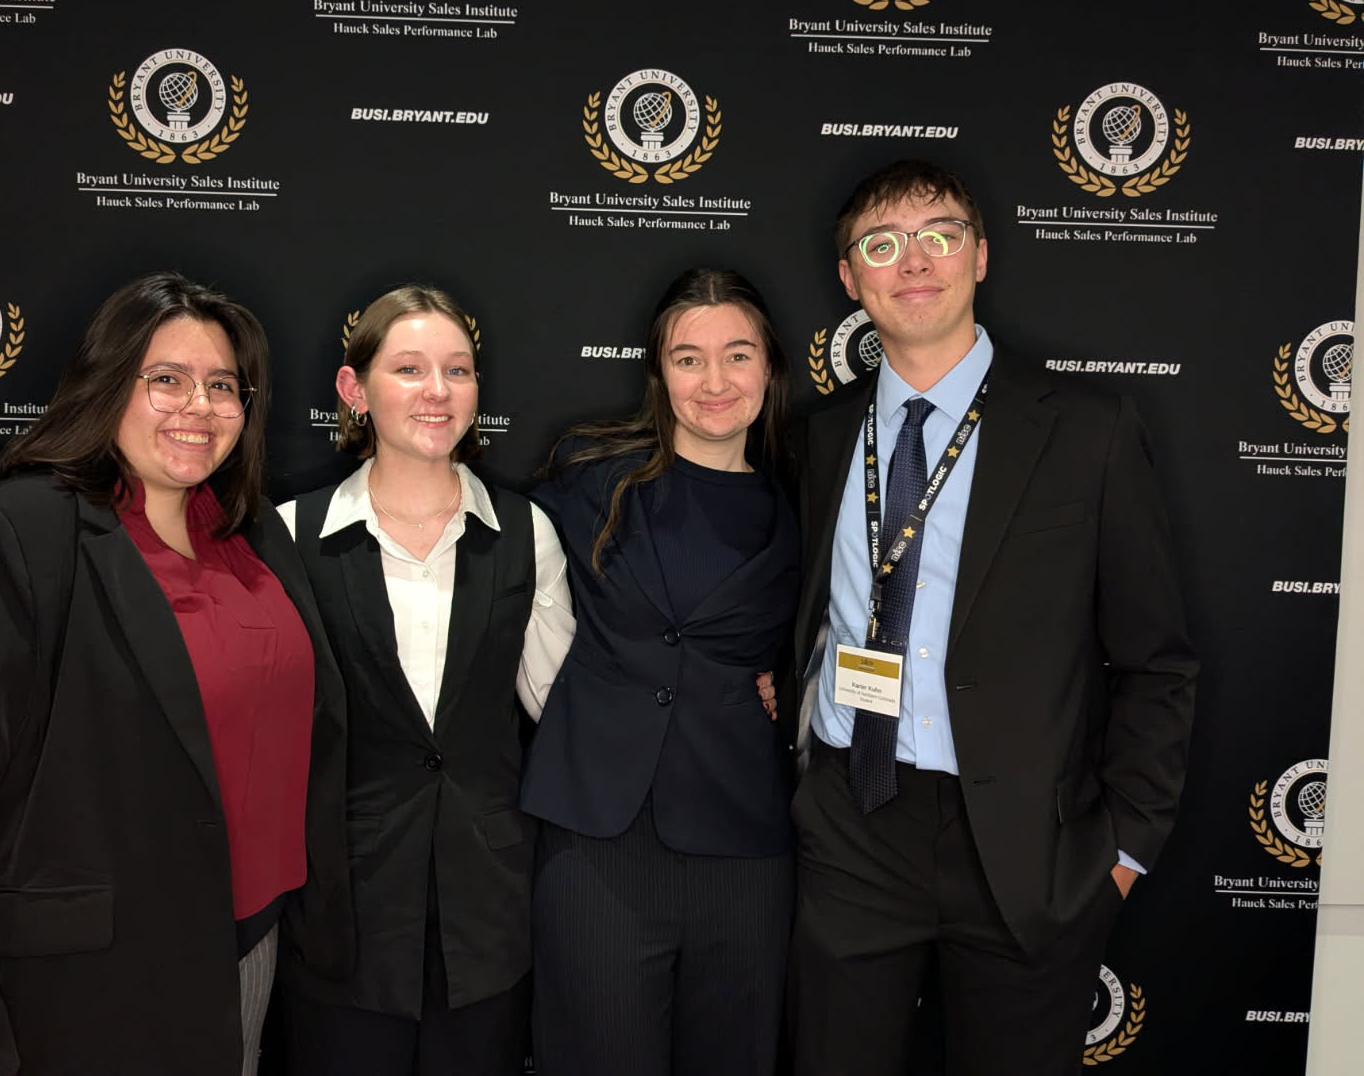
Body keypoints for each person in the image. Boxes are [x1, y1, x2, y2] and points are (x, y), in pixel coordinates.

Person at [0, 272, 349, 1076]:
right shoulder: (10, 538)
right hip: (88, 979)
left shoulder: (254, 536)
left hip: (252, 946)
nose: (199, 405)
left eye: (221, 385)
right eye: (166, 379)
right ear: (106, 384)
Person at [785, 159, 1198, 1074]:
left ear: (980, 256)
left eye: (939, 235)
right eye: (882, 245)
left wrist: (1123, 850)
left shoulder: (1087, 429)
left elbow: (1155, 660)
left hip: (1022, 844)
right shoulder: (819, 437)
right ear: (852, 281)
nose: (915, 261)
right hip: (856, 823)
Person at [273, 285, 574, 1076]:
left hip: (489, 910)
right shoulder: (290, 536)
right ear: (354, 389)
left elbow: (564, 703)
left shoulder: (524, 532)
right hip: (343, 911)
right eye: (409, 368)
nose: (438, 392)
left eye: (458, 370)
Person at [524, 268, 799, 1076]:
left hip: (744, 843)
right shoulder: (588, 476)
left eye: (738, 355)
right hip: (598, 841)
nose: (714, 381)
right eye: (688, 358)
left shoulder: (808, 504)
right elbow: (497, 570)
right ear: (659, 372)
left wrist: (787, 678)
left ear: (771, 368)